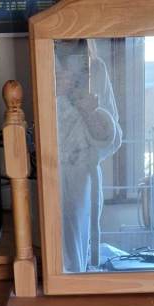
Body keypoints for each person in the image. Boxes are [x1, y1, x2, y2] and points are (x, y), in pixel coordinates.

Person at [55, 40, 122, 273]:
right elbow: (29, 132)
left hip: (81, 177)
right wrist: (54, 95)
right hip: (47, 172)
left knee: (76, 255)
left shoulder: (96, 68)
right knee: (51, 253)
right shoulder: (41, 63)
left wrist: (90, 111)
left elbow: (112, 139)